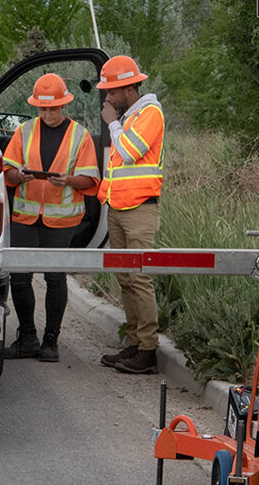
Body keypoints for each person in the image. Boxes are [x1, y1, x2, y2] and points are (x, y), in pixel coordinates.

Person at [2, 73, 100, 363]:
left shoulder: (80, 135)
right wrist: (17, 175)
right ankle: (28, 337)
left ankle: (51, 341)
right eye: (42, 109)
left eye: (53, 108)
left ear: (63, 105)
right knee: (20, 278)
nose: (47, 114)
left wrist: (68, 180)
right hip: (25, 216)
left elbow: (89, 181)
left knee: (55, 277)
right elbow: (7, 172)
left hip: (62, 221)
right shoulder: (24, 131)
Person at [95, 55, 165, 374]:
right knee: (125, 278)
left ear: (129, 88)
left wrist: (112, 122)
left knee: (139, 277)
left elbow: (127, 152)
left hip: (139, 209)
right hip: (119, 206)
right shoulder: (132, 116)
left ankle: (148, 350)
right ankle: (136, 343)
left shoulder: (150, 113)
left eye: (112, 91)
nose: (107, 97)